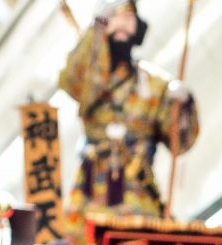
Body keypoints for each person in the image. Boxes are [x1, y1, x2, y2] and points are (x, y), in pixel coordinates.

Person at [58, 0, 198, 228]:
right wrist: (96, 29)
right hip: (89, 193)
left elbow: (178, 143)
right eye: (115, 18)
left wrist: (183, 108)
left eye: (128, 18)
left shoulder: (155, 85)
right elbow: (71, 79)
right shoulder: (90, 81)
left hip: (136, 194)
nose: (122, 24)